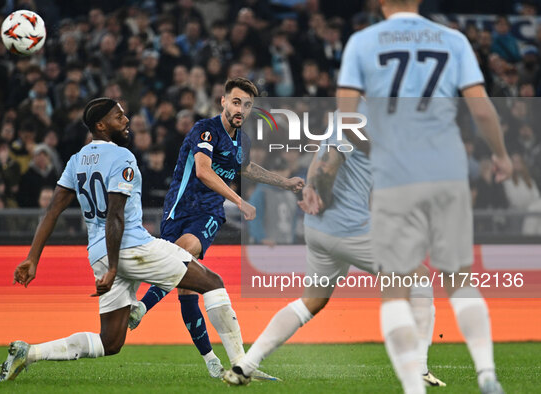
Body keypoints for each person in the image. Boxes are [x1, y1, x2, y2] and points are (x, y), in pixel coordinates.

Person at [316, 1, 511, 393]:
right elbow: (483, 111)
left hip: (397, 179)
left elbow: (347, 120)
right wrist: (502, 155)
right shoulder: (453, 39)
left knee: (399, 285)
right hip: (446, 168)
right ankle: (486, 372)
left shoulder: (362, 42)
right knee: (458, 279)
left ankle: (412, 384)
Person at [0, 98, 250, 382]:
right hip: (129, 247)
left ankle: (28, 353)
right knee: (212, 283)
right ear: (101, 125)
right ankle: (242, 367)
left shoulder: (76, 160)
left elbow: (52, 210)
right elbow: (115, 215)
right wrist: (116, 267)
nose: (127, 120)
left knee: (110, 342)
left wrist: (33, 258)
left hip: (99, 253)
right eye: (119, 117)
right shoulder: (122, 157)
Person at [223, 117, 444, 388]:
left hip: (319, 230)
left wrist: (316, 190)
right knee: (419, 277)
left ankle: (244, 366)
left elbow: (324, 163)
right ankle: (419, 368)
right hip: (346, 228)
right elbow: (328, 164)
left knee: (311, 302)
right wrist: (322, 194)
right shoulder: (355, 125)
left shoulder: (348, 125)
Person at [129, 77, 304, 378]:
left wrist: (284, 182)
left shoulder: (242, 141)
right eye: (237, 102)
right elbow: (203, 170)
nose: (242, 109)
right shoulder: (205, 130)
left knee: (183, 254)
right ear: (223, 101)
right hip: (176, 211)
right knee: (185, 285)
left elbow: (247, 168)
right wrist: (240, 200)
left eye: (247, 105)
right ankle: (212, 359)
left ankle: (142, 308)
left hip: (207, 213)